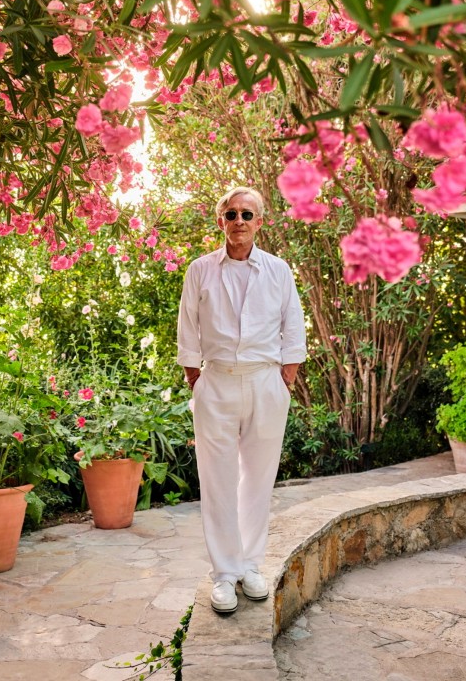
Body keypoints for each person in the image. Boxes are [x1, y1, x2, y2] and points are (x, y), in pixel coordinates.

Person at [177, 186, 306, 614]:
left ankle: (250, 566)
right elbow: (188, 327)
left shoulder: (278, 270)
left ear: (259, 222)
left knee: (258, 478)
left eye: (246, 214)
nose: (238, 221)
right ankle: (225, 573)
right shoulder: (200, 270)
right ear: (220, 221)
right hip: (216, 384)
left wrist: (285, 379)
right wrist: (196, 378)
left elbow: (293, 326)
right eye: (230, 214)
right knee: (216, 480)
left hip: (266, 383)